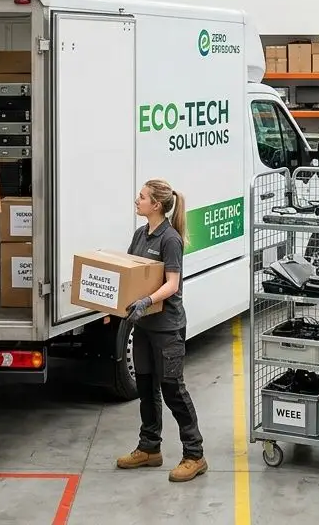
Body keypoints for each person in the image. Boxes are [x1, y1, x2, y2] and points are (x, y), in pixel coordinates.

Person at [114, 179, 207, 484]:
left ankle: (195, 455)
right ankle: (149, 448)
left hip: (167, 329)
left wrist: (146, 301)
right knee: (145, 387)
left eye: (141, 197)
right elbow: (130, 273)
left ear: (156, 205)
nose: (136, 200)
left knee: (172, 390)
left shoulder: (170, 239)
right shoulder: (140, 235)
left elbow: (172, 284)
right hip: (143, 326)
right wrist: (113, 307)